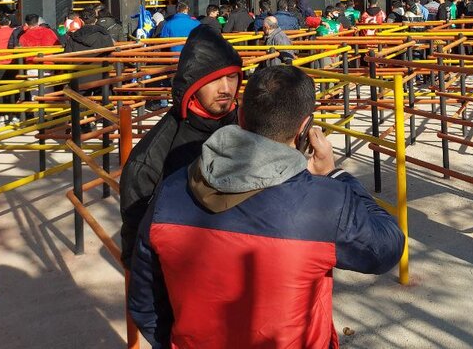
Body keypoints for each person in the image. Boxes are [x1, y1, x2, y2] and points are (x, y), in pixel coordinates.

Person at [129, 65, 405, 348]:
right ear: (304, 128)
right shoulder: (327, 201)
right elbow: (386, 248)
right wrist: (336, 175)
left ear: (241, 115)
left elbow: (144, 301)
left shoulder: (170, 190)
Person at [120, 27, 244, 267]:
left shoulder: (253, 128)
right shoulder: (150, 158)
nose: (226, 88)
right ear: (193, 83)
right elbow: (136, 250)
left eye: (231, 77)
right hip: (186, 273)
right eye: (214, 79)